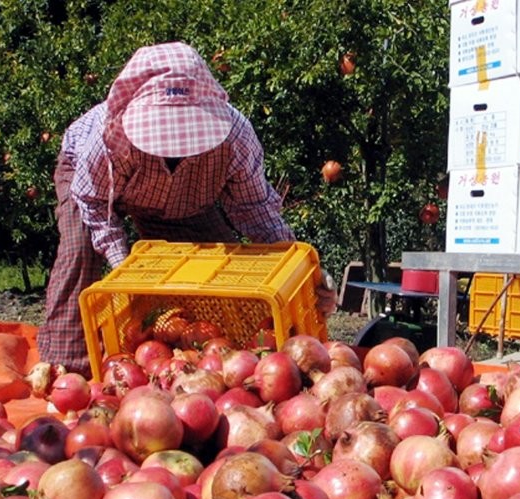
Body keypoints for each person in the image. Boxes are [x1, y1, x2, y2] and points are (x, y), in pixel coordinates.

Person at [38, 41, 334, 376]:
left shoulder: (235, 137)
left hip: (184, 200)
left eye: (184, 135)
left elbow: (257, 213)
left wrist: (302, 274)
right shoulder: (106, 138)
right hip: (94, 186)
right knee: (79, 250)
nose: (173, 145)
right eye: (164, 134)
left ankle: (212, 362)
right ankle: (67, 369)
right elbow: (95, 206)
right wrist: (126, 270)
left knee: (216, 278)